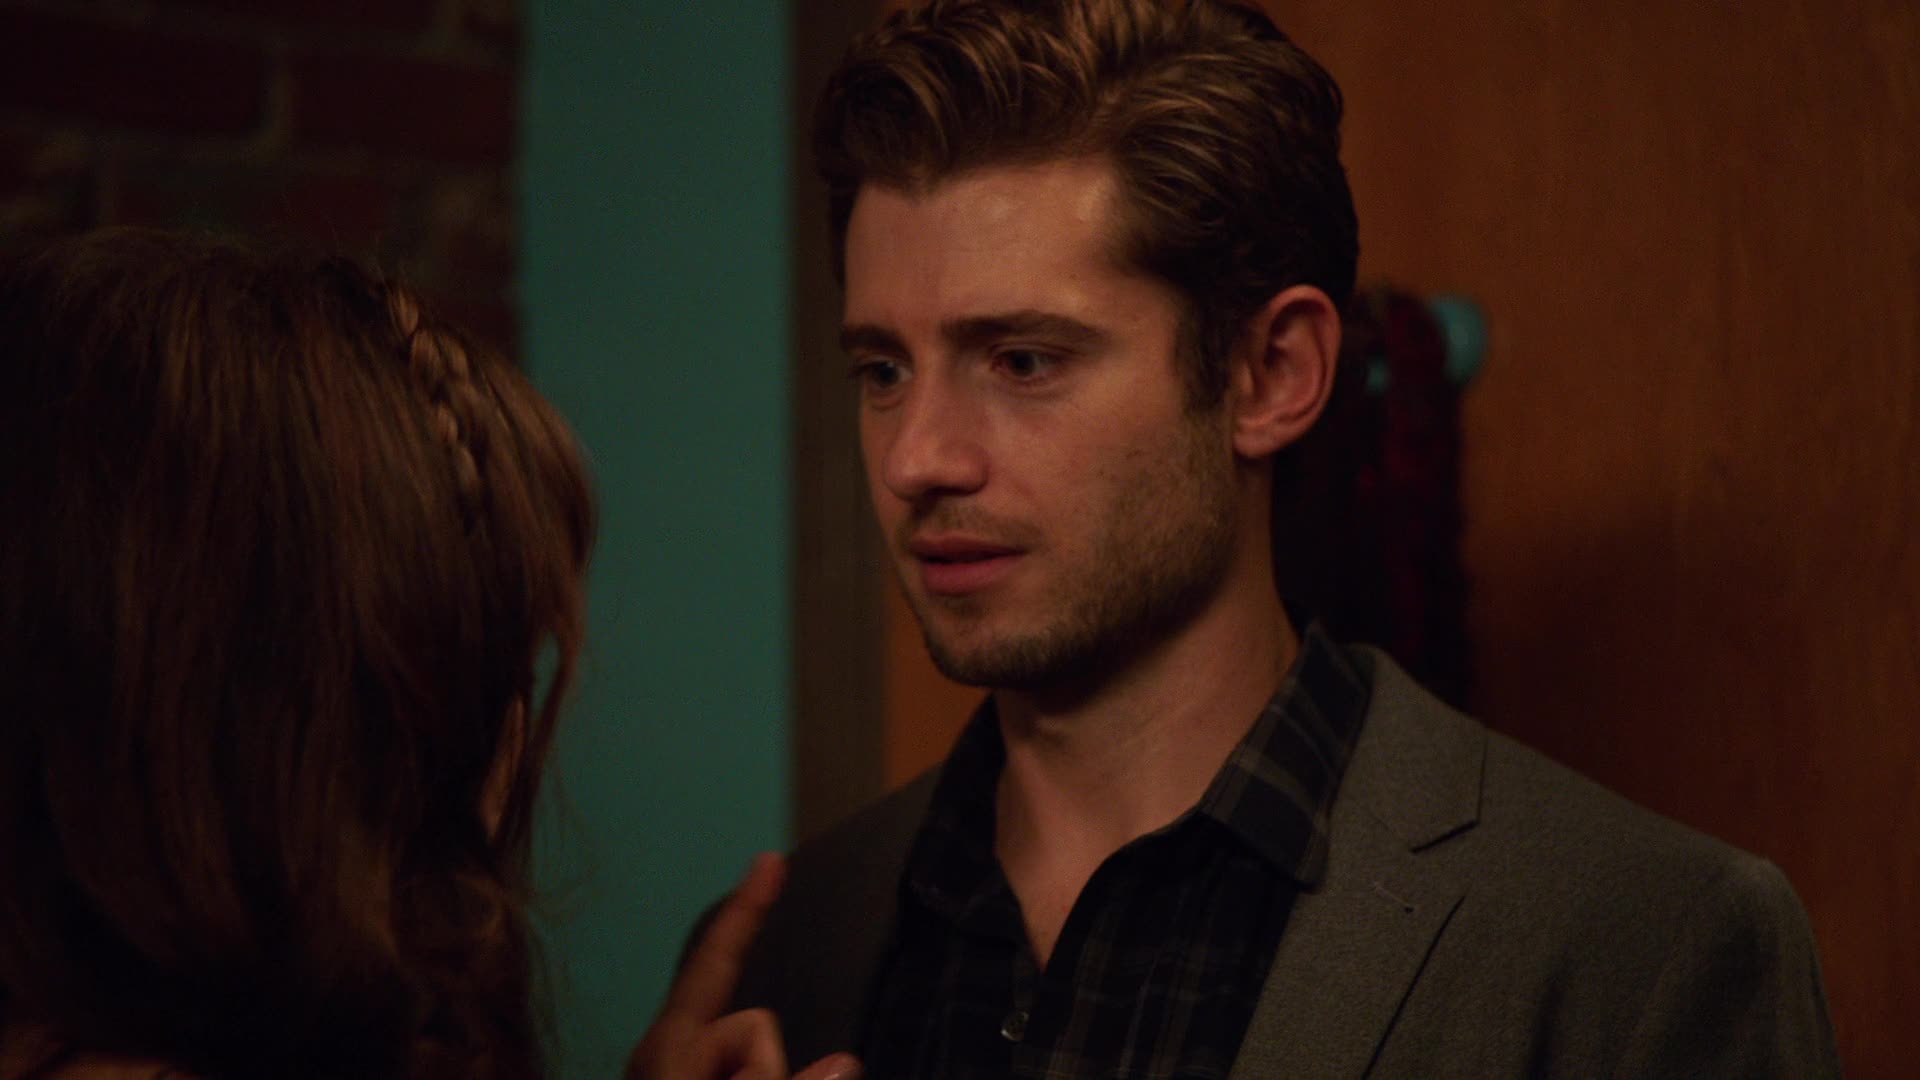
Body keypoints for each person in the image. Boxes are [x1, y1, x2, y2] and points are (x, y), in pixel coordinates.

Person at [663, 1, 1844, 1076]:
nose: (917, 457)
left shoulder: (1640, 944)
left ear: (1272, 375)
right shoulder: (780, 951)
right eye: (882, 370)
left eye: (1023, 361)